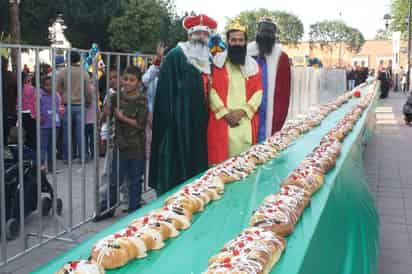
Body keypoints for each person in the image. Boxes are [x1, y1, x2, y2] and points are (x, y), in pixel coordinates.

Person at [149, 14, 217, 195]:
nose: (201, 38)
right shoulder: (176, 56)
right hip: (179, 124)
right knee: (177, 167)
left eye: (205, 34)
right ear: (189, 36)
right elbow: (164, 96)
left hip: (202, 122)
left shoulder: (209, 59)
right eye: (197, 34)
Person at [95, 66, 147, 220]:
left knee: (135, 180)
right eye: (125, 79)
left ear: (138, 82)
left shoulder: (142, 99)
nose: (127, 83)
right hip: (120, 145)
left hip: (136, 147)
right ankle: (107, 208)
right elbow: (106, 117)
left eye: (132, 80)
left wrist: (122, 117)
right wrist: (104, 115)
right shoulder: (115, 97)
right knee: (114, 179)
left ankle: (134, 211)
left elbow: (140, 124)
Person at [208, 22, 262, 165]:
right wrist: (226, 113)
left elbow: (258, 92)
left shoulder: (253, 66)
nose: (237, 43)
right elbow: (211, 90)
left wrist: (242, 112)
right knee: (220, 172)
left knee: (244, 170)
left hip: (245, 124)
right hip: (222, 123)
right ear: (228, 42)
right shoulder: (217, 63)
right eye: (233, 40)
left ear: (245, 42)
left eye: (240, 40)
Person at [247, 17, 291, 142]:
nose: (266, 34)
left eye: (269, 31)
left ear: (274, 34)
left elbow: (284, 94)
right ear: (257, 32)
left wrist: (277, 123)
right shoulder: (246, 52)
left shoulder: (281, 57)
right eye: (263, 30)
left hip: (269, 114)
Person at [57, 51, 91, 162]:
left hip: (67, 105)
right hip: (80, 105)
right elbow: (88, 90)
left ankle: (67, 157)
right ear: (78, 59)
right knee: (80, 133)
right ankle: (82, 157)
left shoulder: (63, 72)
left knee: (67, 133)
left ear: (68, 59)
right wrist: (88, 101)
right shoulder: (84, 72)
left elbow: (58, 89)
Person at [39, 76, 62, 171]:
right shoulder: (40, 95)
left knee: (52, 147)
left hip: (55, 125)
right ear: (43, 86)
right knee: (43, 147)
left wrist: (59, 115)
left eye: (51, 85)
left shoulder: (56, 95)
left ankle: (52, 167)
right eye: (47, 85)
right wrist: (40, 116)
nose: (49, 87)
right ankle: (41, 167)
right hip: (44, 125)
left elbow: (59, 107)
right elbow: (37, 107)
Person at [1, 56, 17, 145]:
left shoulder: (11, 76)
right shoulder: (12, 76)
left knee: (6, 132)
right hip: (9, 109)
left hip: (8, 109)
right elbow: (17, 92)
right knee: (6, 133)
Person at [21, 72, 37, 149]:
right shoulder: (32, 88)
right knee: (32, 133)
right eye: (28, 76)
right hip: (30, 112)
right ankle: (32, 150)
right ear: (25, 78)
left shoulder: (19, 88)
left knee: (25, 132)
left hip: (21, 112)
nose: (30, 77)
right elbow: (35, 101)